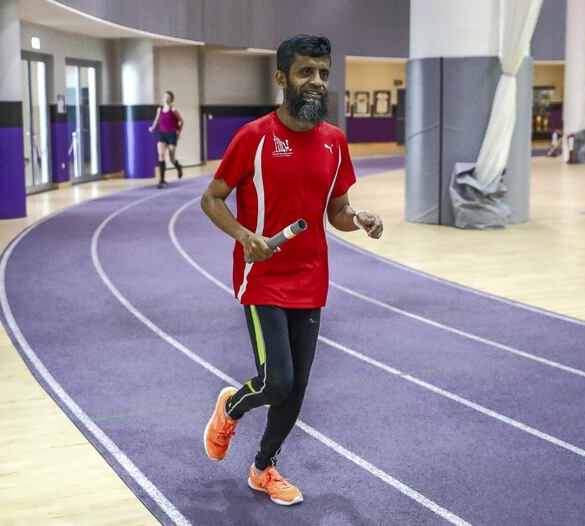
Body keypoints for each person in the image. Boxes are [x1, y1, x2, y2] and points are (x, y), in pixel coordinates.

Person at [200, 34, 383, 507]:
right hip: (261, 278)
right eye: (306, 72)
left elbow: (337, 211)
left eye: (323, 73)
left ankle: (263, 468)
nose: (317, 82)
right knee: (276, 381)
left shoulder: (334, 143)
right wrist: (244, 237)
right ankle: (230, 407)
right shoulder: (254, 138)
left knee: (295, 390)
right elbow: (212, 198)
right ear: (282, 78)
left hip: (312, 280)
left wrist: (358, 218)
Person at [149, 90, 183, 188]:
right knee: (161, 154)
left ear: (171, 99)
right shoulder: (159, 109)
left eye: (168, 97)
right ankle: (162, 179)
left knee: (172, 158)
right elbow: (157, 120)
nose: (166, 98)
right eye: (165, 96)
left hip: (171, 134)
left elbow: (181, 121)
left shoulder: (173, 109)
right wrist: (153, 127)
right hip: (162, 134)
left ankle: (178, 167)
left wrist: (178, 133)